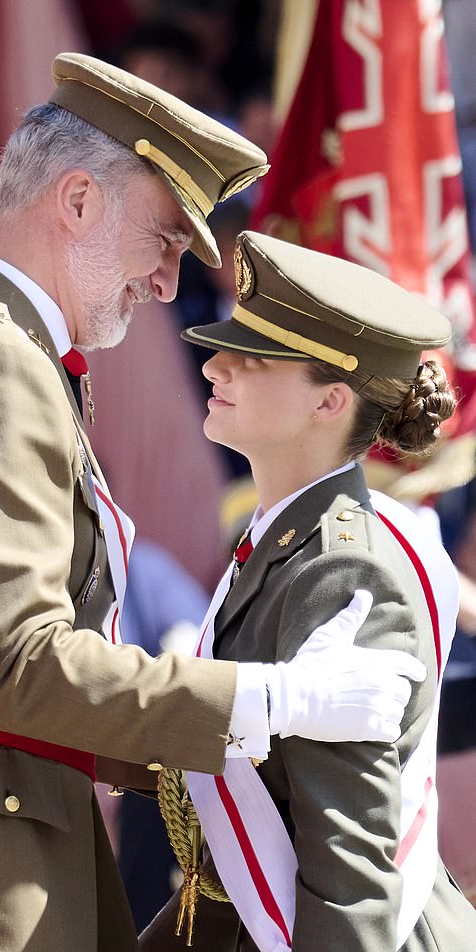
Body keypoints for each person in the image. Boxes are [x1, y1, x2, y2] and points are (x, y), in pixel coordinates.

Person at [0, 57, 426, 952]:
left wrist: (233, 759)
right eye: (161, 240)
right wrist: (274, 701)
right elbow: (22, 667)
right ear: (76, 202)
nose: (164, 284)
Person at [141, 231, 476, 951]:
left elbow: (350, 863)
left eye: (252, 358)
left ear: (329, 401)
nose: (217, 365)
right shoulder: (288, 540)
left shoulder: (345, 570)